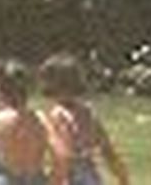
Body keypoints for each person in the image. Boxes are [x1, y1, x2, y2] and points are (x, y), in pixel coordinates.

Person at [37, 55, 129, 185]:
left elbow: (63, 154)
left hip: (69, 176)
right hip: (90, 175)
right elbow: (108, 150)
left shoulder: (55, 116)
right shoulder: (88, 113)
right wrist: (123, 178)